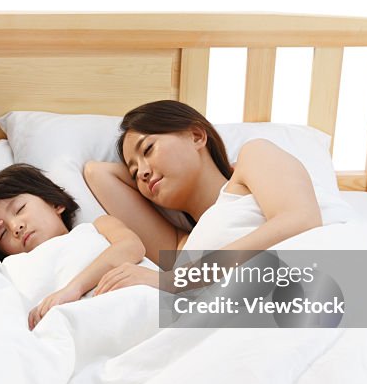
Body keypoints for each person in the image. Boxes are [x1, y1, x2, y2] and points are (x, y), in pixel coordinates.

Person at [83, 100, 333, 291]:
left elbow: (301, 220)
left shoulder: (254, 157)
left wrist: (175, 279)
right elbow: (98, 173)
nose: (143, 174)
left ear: (197, 135)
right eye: (135, 171)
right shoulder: (180, 247)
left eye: (148, 149)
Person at [0, 164, 146, 329]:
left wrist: (73, 289)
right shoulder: (9, 269)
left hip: (140, 308)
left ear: (55, 203)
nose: (15, 227)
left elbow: (132, 247)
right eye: (1, 233)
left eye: (19, 209)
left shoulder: (97, 227)